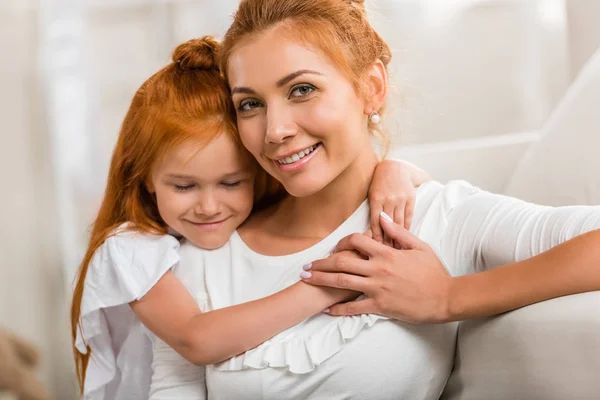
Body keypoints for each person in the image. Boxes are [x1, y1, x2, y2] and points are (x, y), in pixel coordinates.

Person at [148, 0, 600, 399]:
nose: (274, 130)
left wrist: (448, 296)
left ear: (372, 88)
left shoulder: (438, 217)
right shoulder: (207, 249)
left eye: (301, 90)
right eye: (250, 104)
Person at [70, 36, 428, 400]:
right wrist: (332, 282)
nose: (209, 206)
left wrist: (394, 170)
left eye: (230, 182)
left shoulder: (258, 213)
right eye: (183, 187)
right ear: (146, 178)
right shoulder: (129, 248)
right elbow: (197, 340)